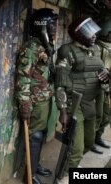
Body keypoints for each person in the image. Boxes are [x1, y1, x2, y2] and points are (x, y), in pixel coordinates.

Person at [54, 17, 109, 183]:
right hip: (74, 103)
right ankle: (62, 176)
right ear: (78, 35)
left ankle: (73, 165)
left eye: (93, 32)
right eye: (88, 33)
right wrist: (63, 111)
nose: (93, 36)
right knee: (75, 147)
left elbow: (101, 74)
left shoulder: (96, 50)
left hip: (91, 102)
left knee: (88, 141)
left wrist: (107, 78)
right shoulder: (67, 51)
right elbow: (60, 84)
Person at [16, 8, 58, 184]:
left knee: (42, 133)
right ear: (42, 26)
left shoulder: (45, 46)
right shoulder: (31, 48)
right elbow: (23, 78)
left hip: (45, 98)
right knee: (35, 137)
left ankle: (35, 164)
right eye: (52, 24)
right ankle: (30, 174)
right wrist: (24, 105)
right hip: (34, 101)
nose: (55, 27)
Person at [91, 17, 111, 154]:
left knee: (106, 115)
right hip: (95, 87)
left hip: (107, 87)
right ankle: (90, 140)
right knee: (95, 116)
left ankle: (98, 137)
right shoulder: (96, 47)